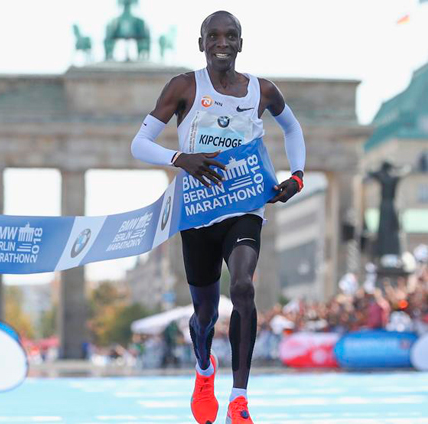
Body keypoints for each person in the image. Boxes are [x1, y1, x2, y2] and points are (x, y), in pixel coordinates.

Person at [131, 10, 306, 424]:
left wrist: (297, 176)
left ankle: (239, 399)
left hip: (245, 206)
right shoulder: (184, 86)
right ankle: (204, 368)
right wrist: (181, 158)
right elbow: (140, 144)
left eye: (231, 36)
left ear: (241, 44)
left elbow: (293, 129)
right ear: (202, 43)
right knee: (206, 312)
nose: (222, 43)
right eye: (214, 36)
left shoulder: (262, 91)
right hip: (198, 213)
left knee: (243, 286)